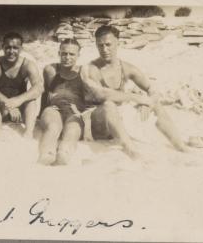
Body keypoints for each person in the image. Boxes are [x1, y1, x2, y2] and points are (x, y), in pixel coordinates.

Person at [81, 25, 188, 158]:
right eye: (100, 45)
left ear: (117, 43)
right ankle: (130, 150)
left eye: (108, 44)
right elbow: (101, 94)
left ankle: (180, 145)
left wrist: (148, 103)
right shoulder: (90, 68)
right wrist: (137, 98)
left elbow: (153, 89)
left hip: (119, 120)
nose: (104, 49)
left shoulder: (126, 68)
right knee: (109, 104)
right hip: (97, 122)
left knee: (156, 105)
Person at [0, 32, 43, 140]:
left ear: (21, 49)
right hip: (1, 109)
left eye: (15, 48)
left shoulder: (28, 64)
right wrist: (8, 104)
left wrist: (18, 100)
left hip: (20, 111)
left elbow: (38, 87)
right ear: (2, 47)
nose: (11, 51)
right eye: (8, 47)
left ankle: (28, 132)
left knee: (31, 101)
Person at [38, 39, 85, 165]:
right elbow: (46, 92)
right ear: (59, 53)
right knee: (53, 127)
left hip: (74, 110)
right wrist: (41, 113)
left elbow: (92, 94)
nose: (67, 57)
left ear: (78, 55)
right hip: (54, 109)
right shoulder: (51, 70)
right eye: (64, 53)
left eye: (72, 54)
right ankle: (46, 155)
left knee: (73, 128)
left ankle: (64, 153)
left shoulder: (84, 72)